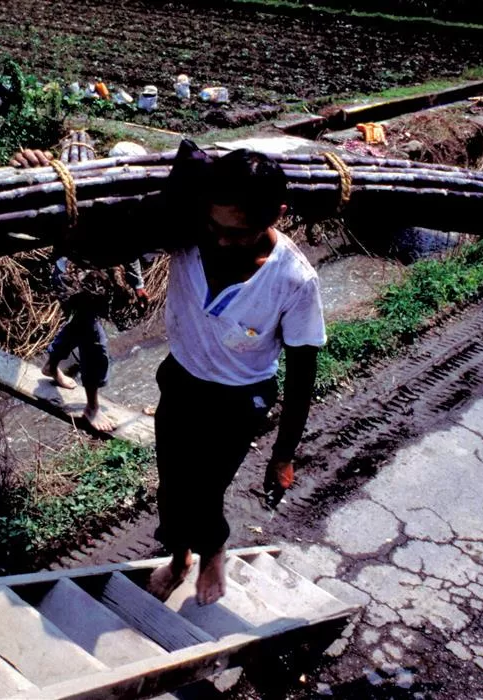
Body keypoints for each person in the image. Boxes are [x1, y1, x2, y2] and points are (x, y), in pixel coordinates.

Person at [143, 145, 326, 605]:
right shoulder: (188, 234)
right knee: (172, 484)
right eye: (216, 227)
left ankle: (213, 552)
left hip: (238, 401)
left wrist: (283, 455)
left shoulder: (293, 280)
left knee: (206, 489)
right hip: (181, 381)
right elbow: (101, 234)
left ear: (276, 215)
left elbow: (302, 376)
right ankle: (180, 557)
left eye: (239, 233)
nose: (223, 242)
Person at [9, 148, 148, 432]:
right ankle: (92, 407)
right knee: (94, 343)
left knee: (80, 326)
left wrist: (138, 284)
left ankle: (51, 366)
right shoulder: (83, 195)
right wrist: (27, 169)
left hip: (94, 280)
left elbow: (130, 247)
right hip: (72, 278)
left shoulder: (128, 207)